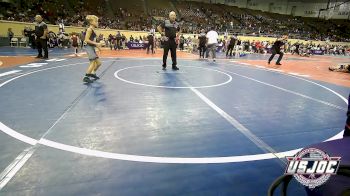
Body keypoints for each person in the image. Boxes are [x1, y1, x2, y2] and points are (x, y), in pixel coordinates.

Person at [83, 15, 104, 84]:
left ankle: (92, 73)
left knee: (99, 63)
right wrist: (97, 44)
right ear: (91, 22)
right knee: (92, 62)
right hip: (88, 46)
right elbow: (86, 40)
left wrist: (98, 47)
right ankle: (86, 77)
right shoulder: (89, 29)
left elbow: (94, 42)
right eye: (96, 21)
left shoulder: (93, 31)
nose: (97, 23)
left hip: (91, 47)